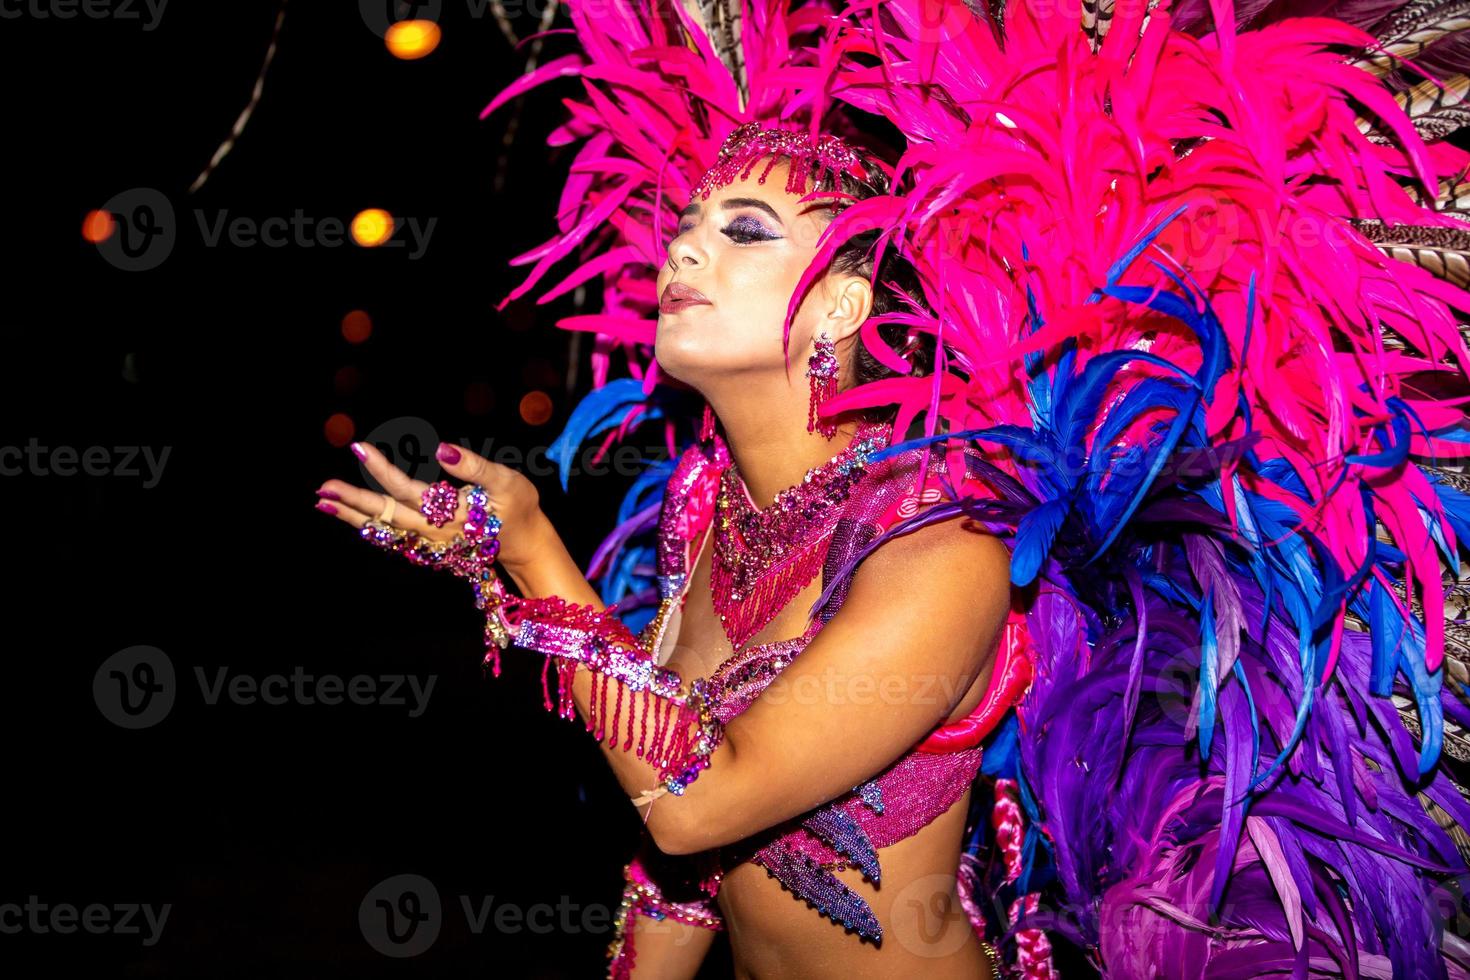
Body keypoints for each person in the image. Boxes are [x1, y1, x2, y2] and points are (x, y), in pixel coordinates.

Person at [318, 0, 1470, 976]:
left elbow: (702, 797)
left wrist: (535, 560)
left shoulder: (945, 539)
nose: (681, 253)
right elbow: (676, 866)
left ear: (842, 308)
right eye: (683, 228)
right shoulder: (704, 507)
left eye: (744, 231)